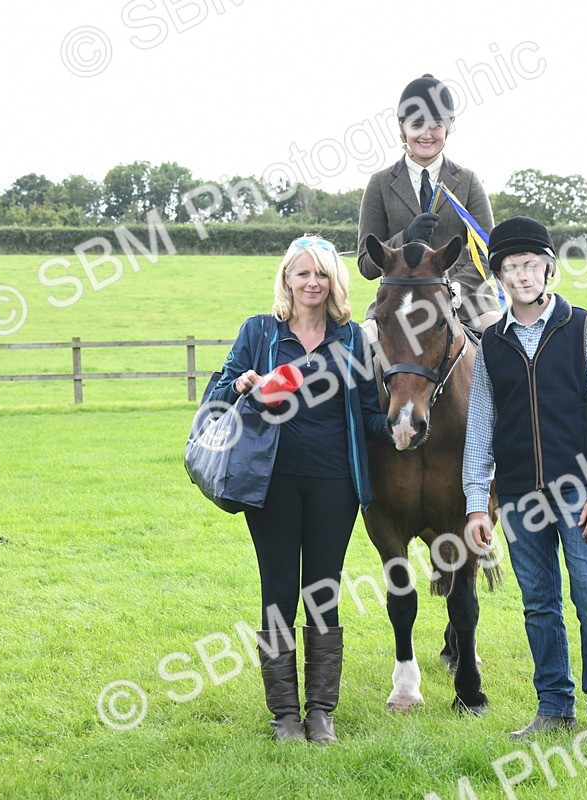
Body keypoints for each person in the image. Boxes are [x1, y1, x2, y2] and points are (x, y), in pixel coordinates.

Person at [207, 236, 387, 744]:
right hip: (271, 483)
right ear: (286, 278)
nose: (312, 282)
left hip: (335, 484)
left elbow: (369, 414)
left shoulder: (353, 340)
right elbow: (214, 398)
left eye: (321, 274)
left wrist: (394, 428)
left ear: (335, 282)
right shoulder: (260, 333)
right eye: (302, 273)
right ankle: (285, 714)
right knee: (279, 592)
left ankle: (321, 713)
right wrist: (240, 385)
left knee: (322, 593)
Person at [461, 217, 587, 746]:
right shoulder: (491, 343)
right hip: (517, 497)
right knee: (539, 604)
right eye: (509, 267)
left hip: (580, 492)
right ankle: (554, 705)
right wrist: (475, 503)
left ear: (550, 269)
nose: (521, 275)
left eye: (531, 264)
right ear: (499, 278)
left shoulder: (583, 328)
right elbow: (481, 425)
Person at [357, 73, 502, 334]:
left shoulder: (468, 181)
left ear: (449, 127)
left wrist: (453, 288)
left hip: (467, 300)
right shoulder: (379, 183)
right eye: (417, 124)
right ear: (402, 126)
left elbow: (487, 252)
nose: (426, 134)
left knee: (500, 338)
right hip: (397, 298)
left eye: (436, 125)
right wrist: (405, 237)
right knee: (364, 343)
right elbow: (366, 264)